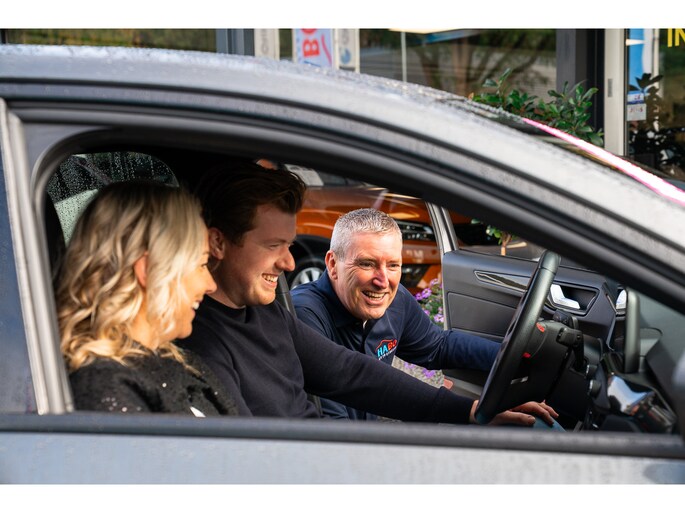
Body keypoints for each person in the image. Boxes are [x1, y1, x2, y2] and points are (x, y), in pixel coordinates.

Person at [179, 161, 557, 427]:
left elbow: (351, 373)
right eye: (273, 245)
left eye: (289, 245)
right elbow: (250, 455)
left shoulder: (265, 313)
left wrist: (471, 411)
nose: (289, 263)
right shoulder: (203, 343)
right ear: (218, 243)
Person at [291, 208, 502, 421]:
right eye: (367, 264)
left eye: (393, 265)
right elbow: (332, 425)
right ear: (332, 264)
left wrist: (507, 359)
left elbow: (438, 346)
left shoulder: (393, 300)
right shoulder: (304, 315)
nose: (383, 282)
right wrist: (465, 412)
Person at [57, 180, 239, 417]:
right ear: (148, 270)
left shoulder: (182, 362)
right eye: (202, 264)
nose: (211, 284)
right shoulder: (103, 386)